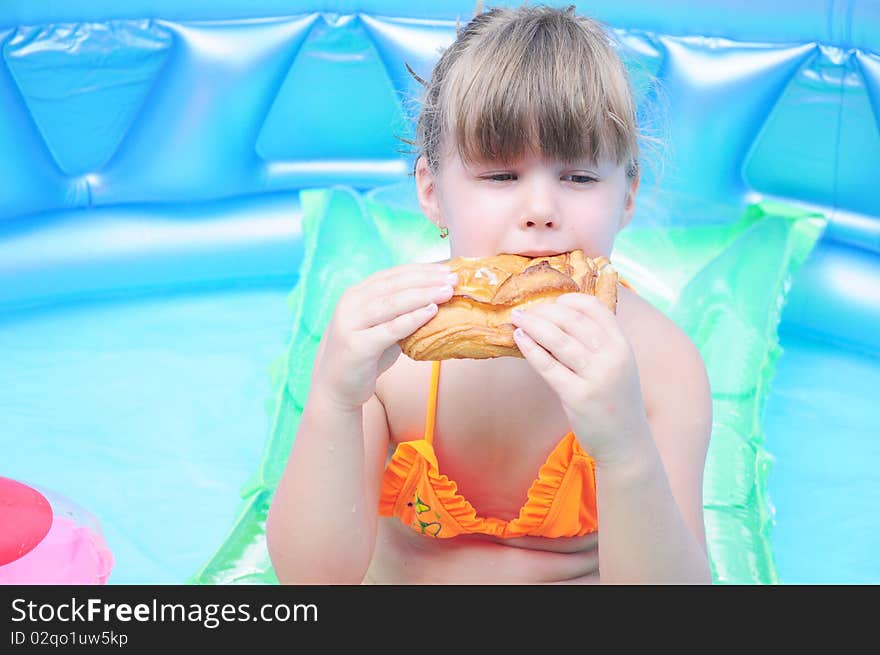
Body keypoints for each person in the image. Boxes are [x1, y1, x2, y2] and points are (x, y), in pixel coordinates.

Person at [266, 3, 713, 584]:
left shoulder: (659, 370)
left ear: (626, 197)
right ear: (431, 191)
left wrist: (625, 448)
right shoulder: (389, 362)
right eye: (500, 177)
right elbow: (313, 581)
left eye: (578, 177)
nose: (540, 212)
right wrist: (335, 401)